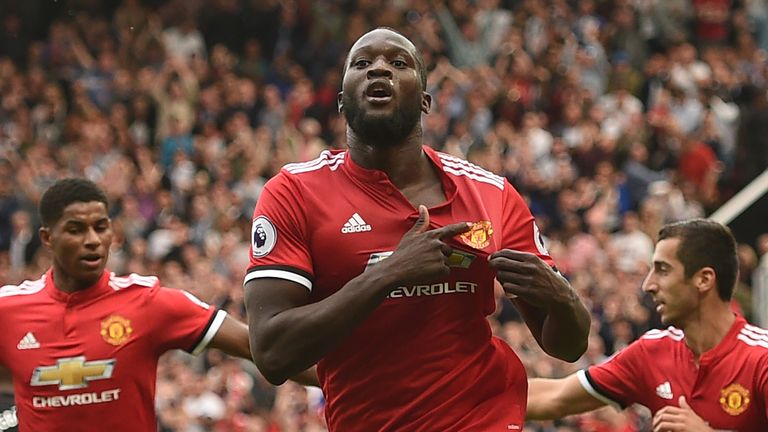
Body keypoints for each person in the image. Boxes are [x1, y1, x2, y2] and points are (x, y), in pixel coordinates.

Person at [244, 27, 591, 431]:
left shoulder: (490, 194)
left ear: (425, 101)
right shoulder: (295, 192)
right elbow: (271, 354)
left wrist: (564, 299)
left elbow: (567, 346)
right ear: (341, 102)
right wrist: (389, 273)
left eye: (397, 63)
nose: (378, 70)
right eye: (362, 63)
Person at [0, 178, 305, 432]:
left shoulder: (148, 302)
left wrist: (345, 379)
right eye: (76, 229)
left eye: (101, 226)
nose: (92, 240)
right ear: (47, 238)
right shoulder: (8, 311)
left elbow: (263, 348)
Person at [526, 219, 768, 431]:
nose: (648, 285)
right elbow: (553, 397)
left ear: (704, 279)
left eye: (662, 270)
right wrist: (487, 390)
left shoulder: (761, 359)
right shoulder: (651, 353)